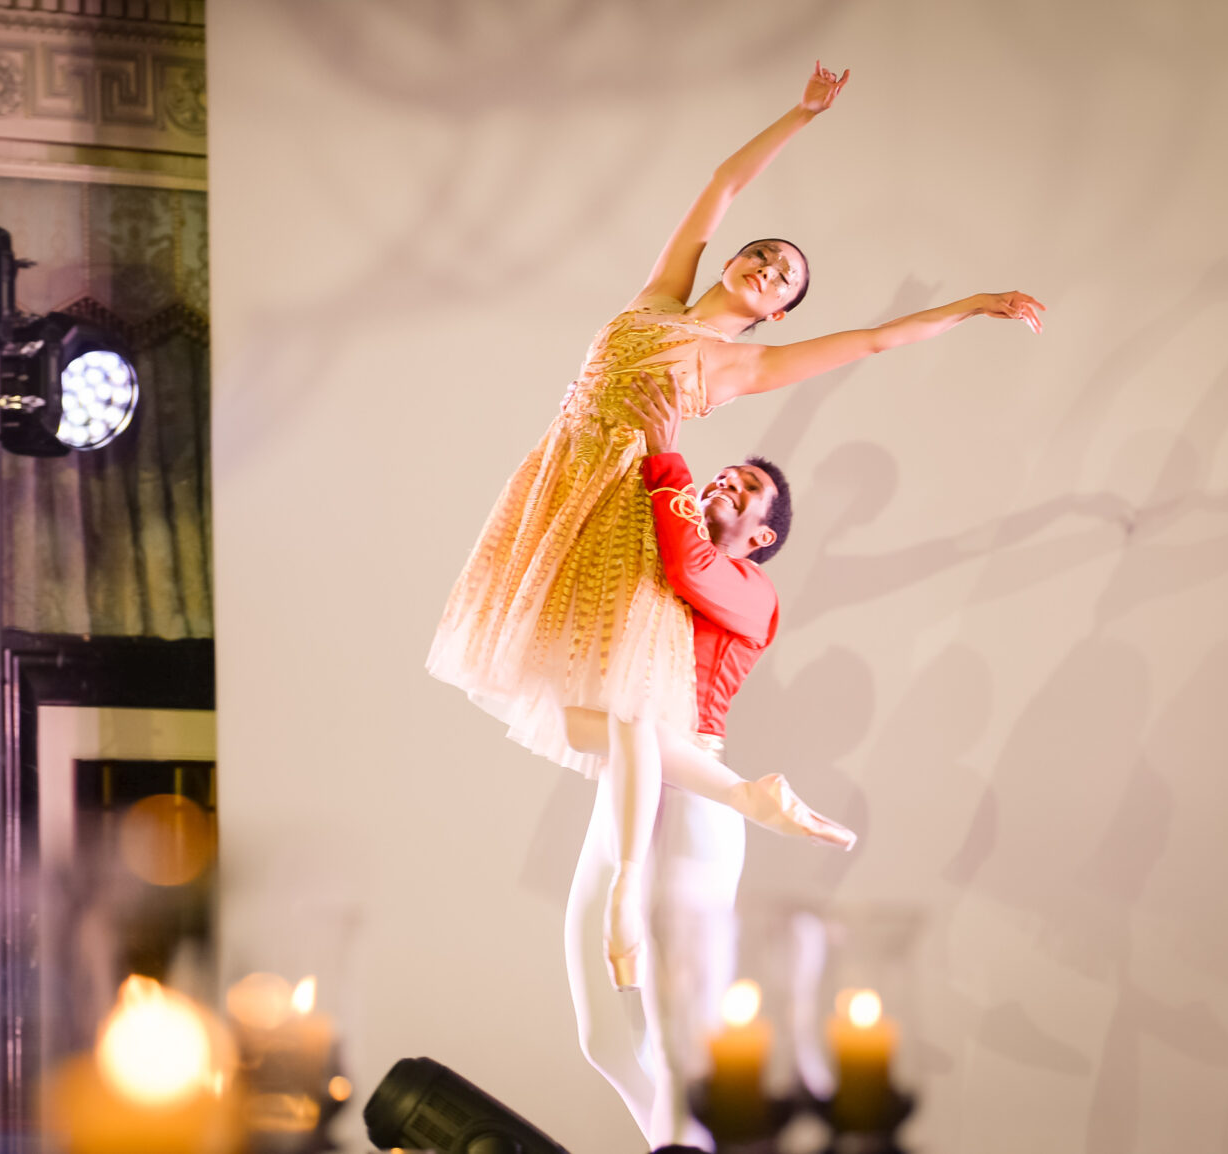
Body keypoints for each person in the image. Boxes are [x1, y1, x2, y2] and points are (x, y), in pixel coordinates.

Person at [426, 60, 1043, 1138]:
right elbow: (716, 187)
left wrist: (973, 304)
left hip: (619, 512)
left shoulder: (736, 370)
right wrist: (799, 119)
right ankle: (664, 929)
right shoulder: (658, 301)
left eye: (783, 277)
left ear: (775, 315)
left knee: (615, 717)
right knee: (566, 709)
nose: (764, 268)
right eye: (763, 255)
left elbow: (873, 342)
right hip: (553, 497)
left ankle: (683, 849)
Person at [560, 377, 812, 1149]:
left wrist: (667, 456)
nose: (725, 481)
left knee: (681, 1037)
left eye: (747, 488)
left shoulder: (750, 593)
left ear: (761, 536)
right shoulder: (664, 579)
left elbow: (688, 566)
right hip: (629, 788)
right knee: (604, 1036)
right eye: (725, 473)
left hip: (696, 803)